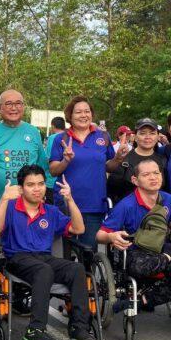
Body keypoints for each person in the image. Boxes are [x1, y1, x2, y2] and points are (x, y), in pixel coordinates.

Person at [0, 164, 97, 340]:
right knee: (43, 270)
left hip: (44, 257)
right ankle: (35, 330)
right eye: (31, 185)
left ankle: (79, 329)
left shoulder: (51, 211)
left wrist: (70, 200)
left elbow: (79, 229)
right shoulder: (11, 206)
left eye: (40, 184)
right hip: (17, 257)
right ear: (21, 188)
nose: (37, 189)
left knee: (77, 269)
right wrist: (4, 199)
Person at [97, 159, 171, 310]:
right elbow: (100, 235)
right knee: (141, 268)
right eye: (146, 175)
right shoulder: (126, 205)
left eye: (156, 173)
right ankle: (170, 255)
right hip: (136, 252)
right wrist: (111, 237)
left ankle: (143, 300)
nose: (153, 177)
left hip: (160, 248)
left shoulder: (168, 199)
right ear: (135, 180)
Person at [49, 95, 129, 249]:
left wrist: (118, 158)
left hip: (94, 204)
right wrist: (66, 160)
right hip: (66, 203)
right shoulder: (61, 139)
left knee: (89, 251)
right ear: (70, 116)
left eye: (87, 111)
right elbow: (53, 171)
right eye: (78, 112)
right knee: (65, 252)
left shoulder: (103, 136)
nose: (83, 115)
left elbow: (109, 167)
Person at [0, 89, 48, 225]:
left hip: (29, 207)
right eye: (8, 104)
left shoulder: (33, 132)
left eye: (18, 103)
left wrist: (41, 195)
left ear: (23, 106)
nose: (14, 108)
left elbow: (41, 168)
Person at [107, 118, 167, 204]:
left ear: (158, 137)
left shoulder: (163, 160)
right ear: (135, 137)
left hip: (156, 210)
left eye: (152, 133)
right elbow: (112, 190)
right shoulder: (124, 160)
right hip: (129, 209)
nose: (147, 137)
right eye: (142, 133)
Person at [44, 117, 66, 204]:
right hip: (65, 180)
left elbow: (48, 158)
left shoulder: (53, 138)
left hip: (52, 180)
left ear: (53, 126)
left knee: (51, 207)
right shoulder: (69, 137)